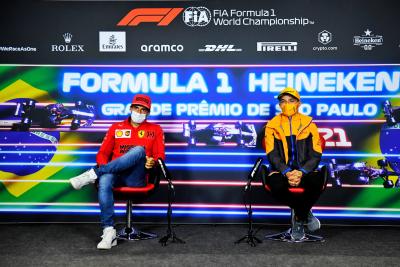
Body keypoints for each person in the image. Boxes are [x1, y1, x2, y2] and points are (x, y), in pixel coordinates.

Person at [69, 94, 165, 249]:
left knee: (139, 150)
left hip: (136, 177)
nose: (139, 112)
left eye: (143, 110)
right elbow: (102, 154)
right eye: (136, 108)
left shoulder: (155, 129)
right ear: (131, 108)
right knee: (106, 179)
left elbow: (160, 155)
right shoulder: (116, 127)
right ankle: (108, 231)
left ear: (148, 113)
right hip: (115, 175)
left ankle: (94, 173)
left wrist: (152, 161)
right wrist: (104, 166)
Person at [263, 87, 325, 240]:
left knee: (317, 181)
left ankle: (298, 219)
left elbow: (316, 154)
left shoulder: (309, 123)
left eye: (291, 101)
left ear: (299, 103)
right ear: (279, 105)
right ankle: (305, 213)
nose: (287, 104)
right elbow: (272, 154)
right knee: (275, 185)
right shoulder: (271, 125)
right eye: (283, 101)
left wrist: (302, 172)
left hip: (305, 170)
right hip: (282, 171)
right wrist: (287, 172)